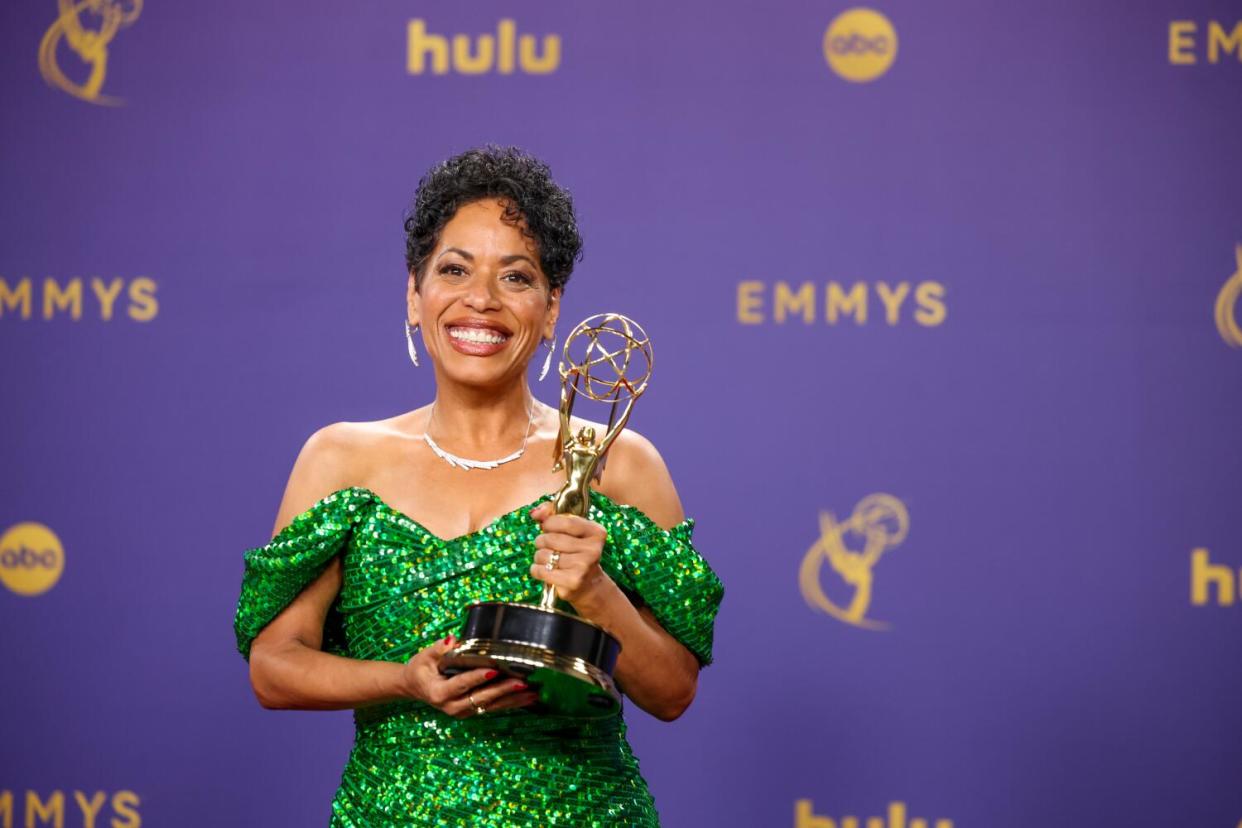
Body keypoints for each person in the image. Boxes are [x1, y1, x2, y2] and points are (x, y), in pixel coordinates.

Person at [233, 146, 724, 826]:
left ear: (552, 310)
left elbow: (673, 693)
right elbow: (274, 668)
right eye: (455, 269)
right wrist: (403, 681)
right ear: (415, 293)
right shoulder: (339, 459)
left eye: (516, 277)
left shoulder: (620, 462)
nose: (481, 301)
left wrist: (596, 592)